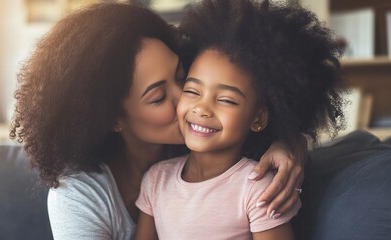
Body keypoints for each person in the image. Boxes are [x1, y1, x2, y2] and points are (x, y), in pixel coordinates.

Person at [10, 2, 306, 239]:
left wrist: (288, 143)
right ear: (112, 118)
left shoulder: (208, 143)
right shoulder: (80, 196)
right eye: (158, 97)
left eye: (182, 78)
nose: (188, 104)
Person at [134, 0, 345, 239]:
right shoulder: (156, 179)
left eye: (226, 100)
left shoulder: (258, 188)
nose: (202, 108)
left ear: (258, 118)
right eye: (192, 91)